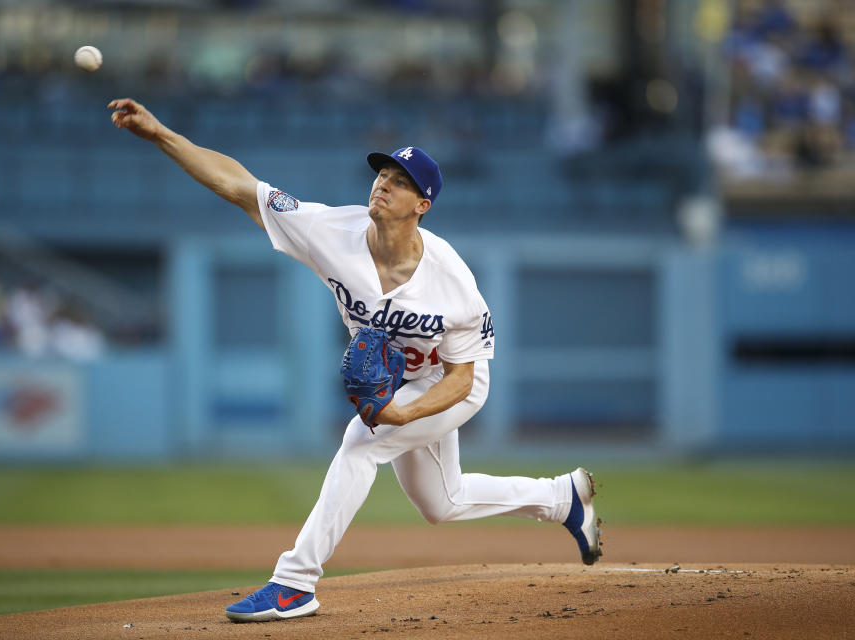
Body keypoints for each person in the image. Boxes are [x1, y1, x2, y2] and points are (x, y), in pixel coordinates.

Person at [108, 98, 602, 623]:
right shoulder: (331, 232)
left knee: (361, 443)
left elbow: (464, 376)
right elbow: (239, 186)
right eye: (383, 172)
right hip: (405, 383)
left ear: (422, 205)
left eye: (400, 180)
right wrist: (161, 132)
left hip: (449, 382)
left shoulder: (452, 280)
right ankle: (562, 498)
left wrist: (405, 413)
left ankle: (294, 583)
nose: (383, 183)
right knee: (442, 502)